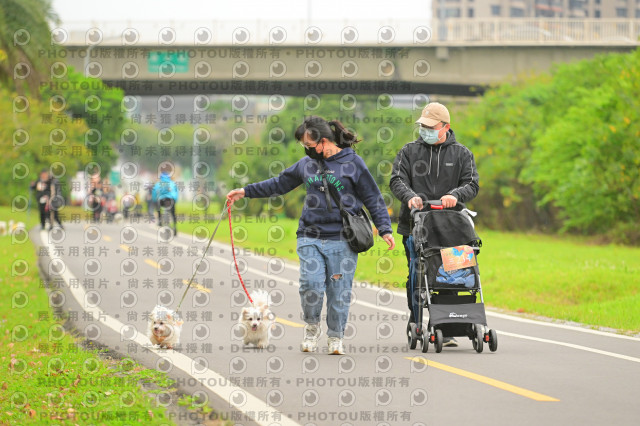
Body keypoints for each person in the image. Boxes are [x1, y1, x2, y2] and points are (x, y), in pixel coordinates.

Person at [227, 116, 395, 355]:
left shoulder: (352, 163)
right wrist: (245, 191)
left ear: (323, 141)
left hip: (342, 238)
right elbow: (278, 184)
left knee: (338, 292)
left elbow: (372, 197)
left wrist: (385, 228)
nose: (305, 149)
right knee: (310, 285)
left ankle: (335, 337)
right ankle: (312, 327)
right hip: (309, 235)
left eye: (308, 144)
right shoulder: (306, 164)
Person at [390, 102, 479, 347]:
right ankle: (417, 321)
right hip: (416, 226)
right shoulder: (409, 151)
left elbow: (472, 184)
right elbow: (396, 179)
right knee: (417, 276)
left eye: (431, 127)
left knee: (452, 277)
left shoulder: (462, 154)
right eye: (423, 126)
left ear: (445, 127)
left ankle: (446, 326)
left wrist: (455, 195)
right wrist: (410, 197)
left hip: (452, 229)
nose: (426, 131)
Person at [152, 170, 178, 234]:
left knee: (158, 209)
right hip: (171, 200)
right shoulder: (172, 183)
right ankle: (175, 226)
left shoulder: (158, 184)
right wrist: (175, 200)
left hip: (162, 200)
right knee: (173, 213)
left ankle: (160, 221)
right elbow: (176, 193)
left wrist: (154, 200)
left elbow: (154, 193)